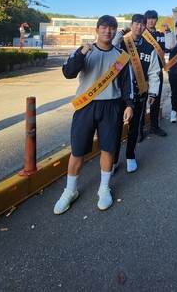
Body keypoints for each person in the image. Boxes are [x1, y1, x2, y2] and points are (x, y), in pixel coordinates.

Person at [54, 15, 134, 214]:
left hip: (111, 107)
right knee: (78, 150)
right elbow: (68, 72)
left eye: (112, 28)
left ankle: (104, 188)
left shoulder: (121, 55)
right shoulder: (85, 51)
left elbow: (127, 83)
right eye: (104, 27)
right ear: (97, 30)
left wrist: (129, 104)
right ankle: (70, 190)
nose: (108, 31)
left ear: (116, 31)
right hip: (86, 106)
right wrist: (81, 53)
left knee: (108, 149)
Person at [112, 14, 160, 173]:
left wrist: (153, 93)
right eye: (136, 24)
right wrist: (123, 31)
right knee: (116, 128)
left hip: (140, 93)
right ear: (131, 25)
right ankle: (113, 160)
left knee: (134, 128)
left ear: (145, 27)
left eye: (142, 24)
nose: (139, 27)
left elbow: (154, 72)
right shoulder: (122, 44)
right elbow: (111, 43)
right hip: (119, 93)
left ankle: (130, 156)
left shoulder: (149, 48)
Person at [142, 10, 169, 138]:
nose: (150, 21)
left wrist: (168, 31)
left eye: (153, 18)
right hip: (140, 72)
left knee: (155, 99)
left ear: (156, 20)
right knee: (141, 100)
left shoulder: (161, 35)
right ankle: (139, 129)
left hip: (156, 71)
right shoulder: (139, 34)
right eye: (148, 18)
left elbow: (170, 46)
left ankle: (154, 126)